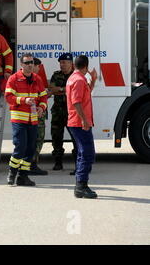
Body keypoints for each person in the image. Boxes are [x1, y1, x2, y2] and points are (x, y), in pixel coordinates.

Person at [5, 53, 48, 186]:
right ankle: (12, 173)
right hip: (19, 119)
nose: (30, 65)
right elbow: (8, 97)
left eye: (31, 63)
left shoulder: (37, 79)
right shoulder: (13, 79)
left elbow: (43, 96)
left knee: (30, 149)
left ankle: (22, 177)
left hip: (33, 120)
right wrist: (23, 100)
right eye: (27, 63)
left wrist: (42, 107)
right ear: (22, 65)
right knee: (20, 146)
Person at [66, 55, 98, 198]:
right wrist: (84, 120)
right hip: (79, 123)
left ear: (74, 65)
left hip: (77, 122)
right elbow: (76, 102)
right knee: (87, 153)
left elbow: (84, 95)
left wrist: (93, 80)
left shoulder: (75, 78)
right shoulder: (79, 80)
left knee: (82, 153)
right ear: (86, 66)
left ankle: (80, 185)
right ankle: (81, 186)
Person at [49, 53, 78, 173]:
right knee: (56, 137)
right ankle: (58, 162)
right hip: (58, 111)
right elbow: (52, 90)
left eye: (64, 62)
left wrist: (60, 90)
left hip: (72, 112)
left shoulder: (76, 75)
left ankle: (78, 163)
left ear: (71, 63)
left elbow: (76, 91)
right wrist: (65, 90)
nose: (62, 65)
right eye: (61, 62)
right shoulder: (56, 75)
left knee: (76, 138)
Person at [29, 58, 49, 176]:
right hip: (35, 114)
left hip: (35, 112)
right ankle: (32, 165)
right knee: (37, 139)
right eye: (38, 66)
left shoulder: (35, 79)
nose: (39, 68)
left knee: (34, 139)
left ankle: (31, 164)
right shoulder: (35, 79)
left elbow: (42, 95)